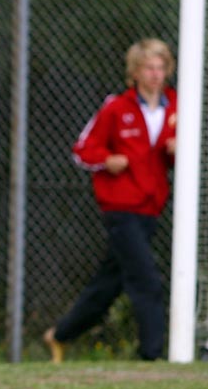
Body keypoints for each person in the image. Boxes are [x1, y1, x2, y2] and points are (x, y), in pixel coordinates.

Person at [42, 38, 179, 363]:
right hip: (121, 209)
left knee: (109, 284)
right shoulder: (116, 108)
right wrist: (108, 160)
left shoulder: (177, 106)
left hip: (152, 206)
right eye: (149, 67)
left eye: (161, 67)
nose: (156, 74)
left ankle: (60, 335)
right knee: (146, 279)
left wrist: (177, 151)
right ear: (135, 72)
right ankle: (151, 357)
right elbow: (82, 150)